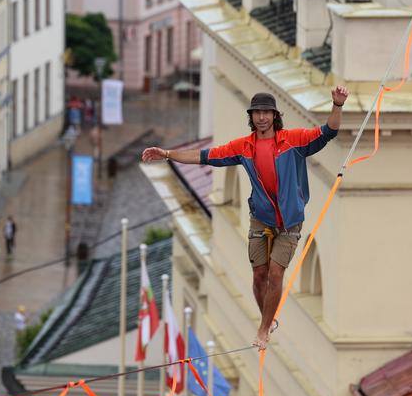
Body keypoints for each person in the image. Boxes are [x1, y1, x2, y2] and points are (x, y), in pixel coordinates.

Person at [142, 86, 349, 350]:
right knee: (259, 276)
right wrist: (168, 154)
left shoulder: (293, 141)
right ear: (251, 117)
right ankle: (268, 318)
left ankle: (263, 329)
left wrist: (338, 105)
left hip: (289, 221)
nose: (262, 117)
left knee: (276, 273)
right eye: (257, 113)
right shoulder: (244, 147)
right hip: (260, 220)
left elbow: (328, 131)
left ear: (275, 116)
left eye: (266, 112)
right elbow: (203, 156)